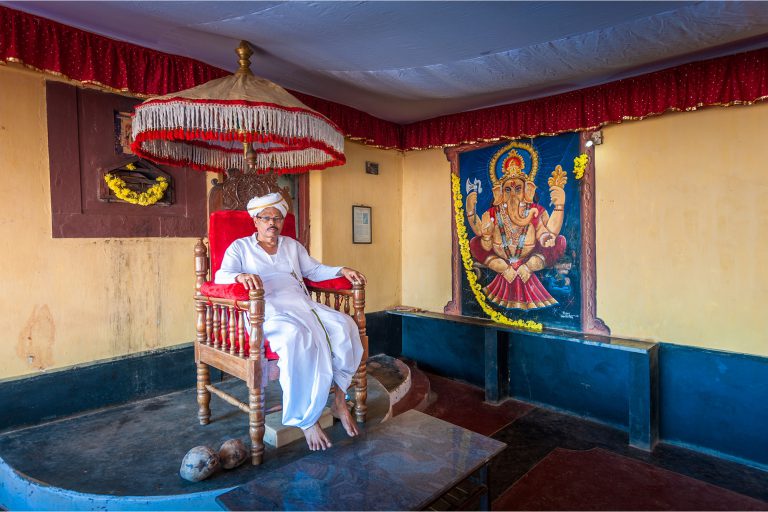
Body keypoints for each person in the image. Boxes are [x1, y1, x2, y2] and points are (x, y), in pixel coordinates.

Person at [214, 192, 366, 451]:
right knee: (297, 337)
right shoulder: (240, 247)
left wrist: (341, 270)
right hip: (267, 307)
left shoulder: (292, 246)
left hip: (301, 302)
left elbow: (313, 271)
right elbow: (220, 275)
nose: (272, 223)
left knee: (344, 326)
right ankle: (305, 419)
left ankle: (339, 401)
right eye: (266, 218)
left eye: (277, 218)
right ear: (255, 221)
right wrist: (240, 277)